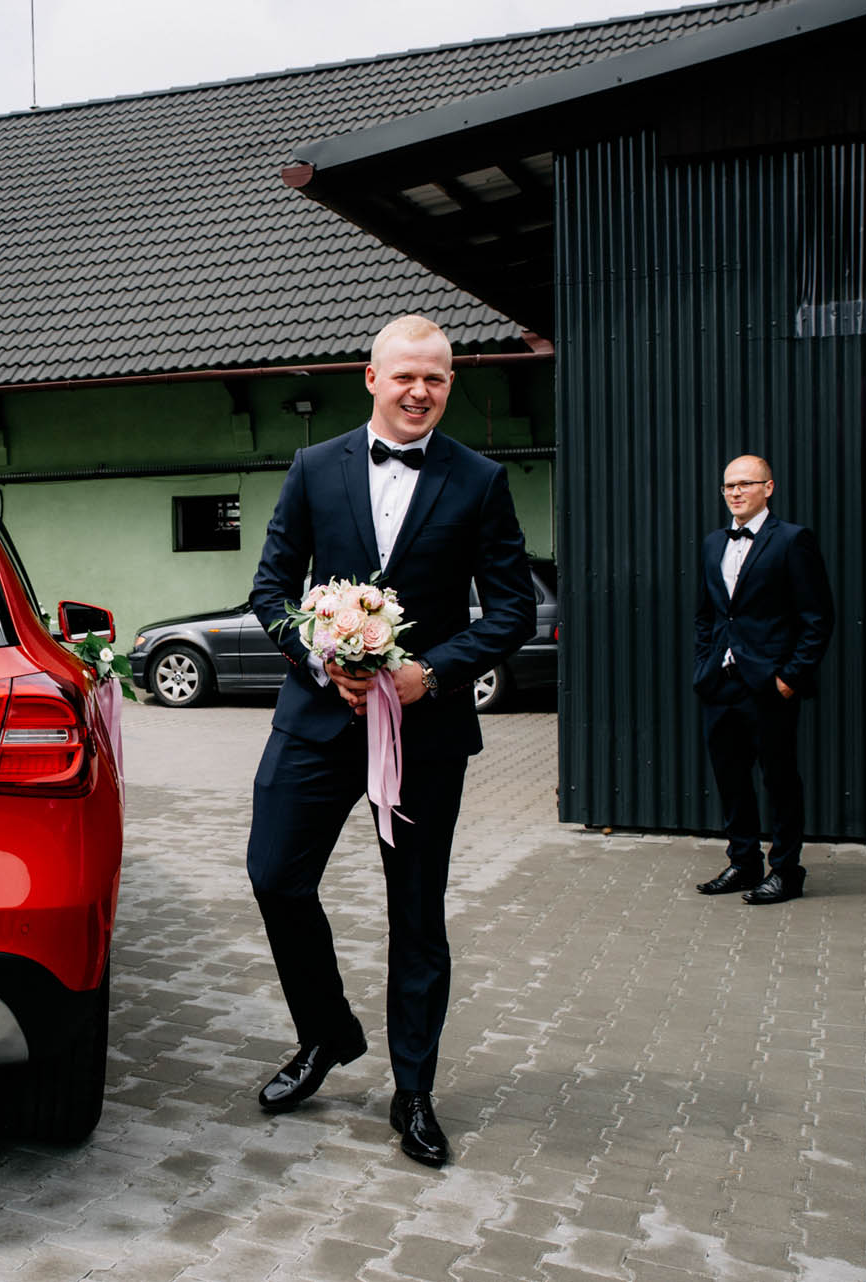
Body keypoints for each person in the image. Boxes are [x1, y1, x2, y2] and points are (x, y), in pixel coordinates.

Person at [246, 315, 535, 1168]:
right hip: (316, 721)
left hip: (424, 734)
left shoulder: (479, 480)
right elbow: (270, 588)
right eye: (405, 376)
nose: (419, 392)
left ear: (450, 385)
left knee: (416, 914)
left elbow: (513, 610)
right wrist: (317, 654)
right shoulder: (313, 467)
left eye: (435, 379)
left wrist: (431, 673)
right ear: (370, 378)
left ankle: (414, 1091)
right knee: (274, 876)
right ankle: (327, 1034)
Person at [691, 456, 833, 906]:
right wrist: (704, 663)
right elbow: (707, 615)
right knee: (730, 777)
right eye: (728, 486)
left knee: (779, 780)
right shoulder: (713, 543)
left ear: (768, 487)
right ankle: (744, 862)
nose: (735, 492)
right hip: (720, 681)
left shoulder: (792, 540)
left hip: (769, 684)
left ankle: (786, 872)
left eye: (745, 484)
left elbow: (817, 617)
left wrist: (791, 676)